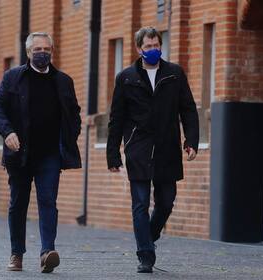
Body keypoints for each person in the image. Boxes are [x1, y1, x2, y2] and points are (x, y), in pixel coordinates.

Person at [106, 26, 199, 273]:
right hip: (138, 147)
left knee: (166, 201)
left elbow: (188, 109)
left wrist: (191, 141)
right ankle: (145, 255)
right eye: (148, 46)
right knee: (140, 203)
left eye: (156, 45)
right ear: (139, 49)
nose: (153, 50)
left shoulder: (174, 74)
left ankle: (150, 235)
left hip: (167, 146)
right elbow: (117, 117)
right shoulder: (126, 77)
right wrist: (113, 154)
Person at [0, 32, 81, 273]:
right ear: (28, 53)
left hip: (50, 154)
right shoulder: (13, 78)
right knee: (18, 202)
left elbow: (74, 114)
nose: (43, 53)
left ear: (52, 51)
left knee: (48, 200)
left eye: (47, 49)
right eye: (37, 49)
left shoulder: (63, 81)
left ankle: (47, 252)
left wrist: (70, 138)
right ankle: (16, 254)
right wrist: (7, 132)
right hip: (19, 153)